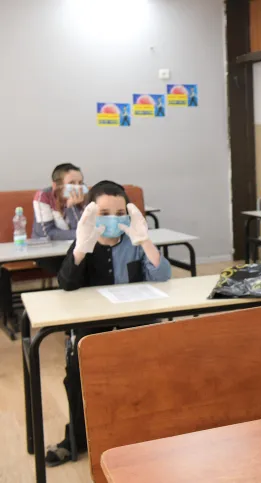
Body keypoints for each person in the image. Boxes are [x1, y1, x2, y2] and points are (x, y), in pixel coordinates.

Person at [45, 181, 171, 466]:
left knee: (151, 370)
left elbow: (162, 275)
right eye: (104, 213)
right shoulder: (84, 242)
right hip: (93, 329)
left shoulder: (134, 243)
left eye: (119, 213)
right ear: (90, 214)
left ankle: (146, 434)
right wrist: (81, 248)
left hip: (133, 326)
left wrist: (145, 241)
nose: (112, 219)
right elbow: (66, 283)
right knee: (77, 378)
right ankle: (75, 439)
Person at [32, 163, 87, 241]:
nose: (78, 187)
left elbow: (83, 230)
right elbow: (45, 233)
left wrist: (71, 206)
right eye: (72, 183)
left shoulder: (84, 196)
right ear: (55, 186)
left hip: (75, 246)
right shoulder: (43, 196)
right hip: (46, 247)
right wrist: (81, 234)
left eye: (80, 183)